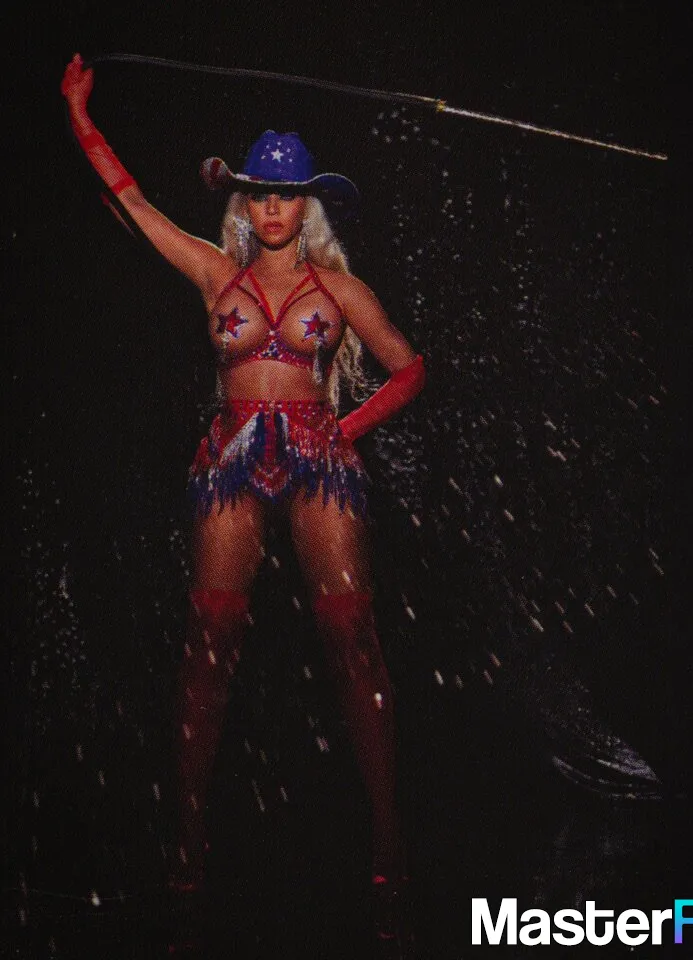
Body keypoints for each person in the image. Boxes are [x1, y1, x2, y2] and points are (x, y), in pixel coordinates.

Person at [61, 53, 425, 951]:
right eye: (260, 193)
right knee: (211, 637)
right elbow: (132, 201)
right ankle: (186, 853)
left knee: (353, 635)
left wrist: (347, 427)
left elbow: (410, 367)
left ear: (307, 206)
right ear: (244, 201)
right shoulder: (213, 273)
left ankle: (389, 852)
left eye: (286, 195)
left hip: (316, 458)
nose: (271, 208)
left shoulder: (338, 289)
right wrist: (79, 112)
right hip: (230, 457)